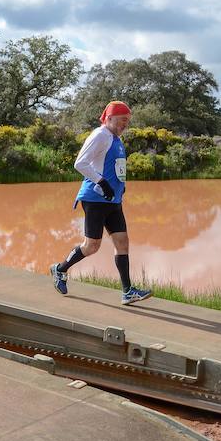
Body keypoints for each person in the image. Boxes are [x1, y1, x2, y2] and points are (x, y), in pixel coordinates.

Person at [50, 101, 153, 306]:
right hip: (95, 198)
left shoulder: (116, 139)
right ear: (110, 118)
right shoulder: (100, 135)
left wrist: (119, 187)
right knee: (92, 246)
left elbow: (117, 167)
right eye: (123, 120)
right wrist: (102, 182)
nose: (125, 124)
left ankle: (128, 292)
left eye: (128, 121)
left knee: (122, 242)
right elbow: (80, 163)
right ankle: (60, 269)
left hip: (113, 200)